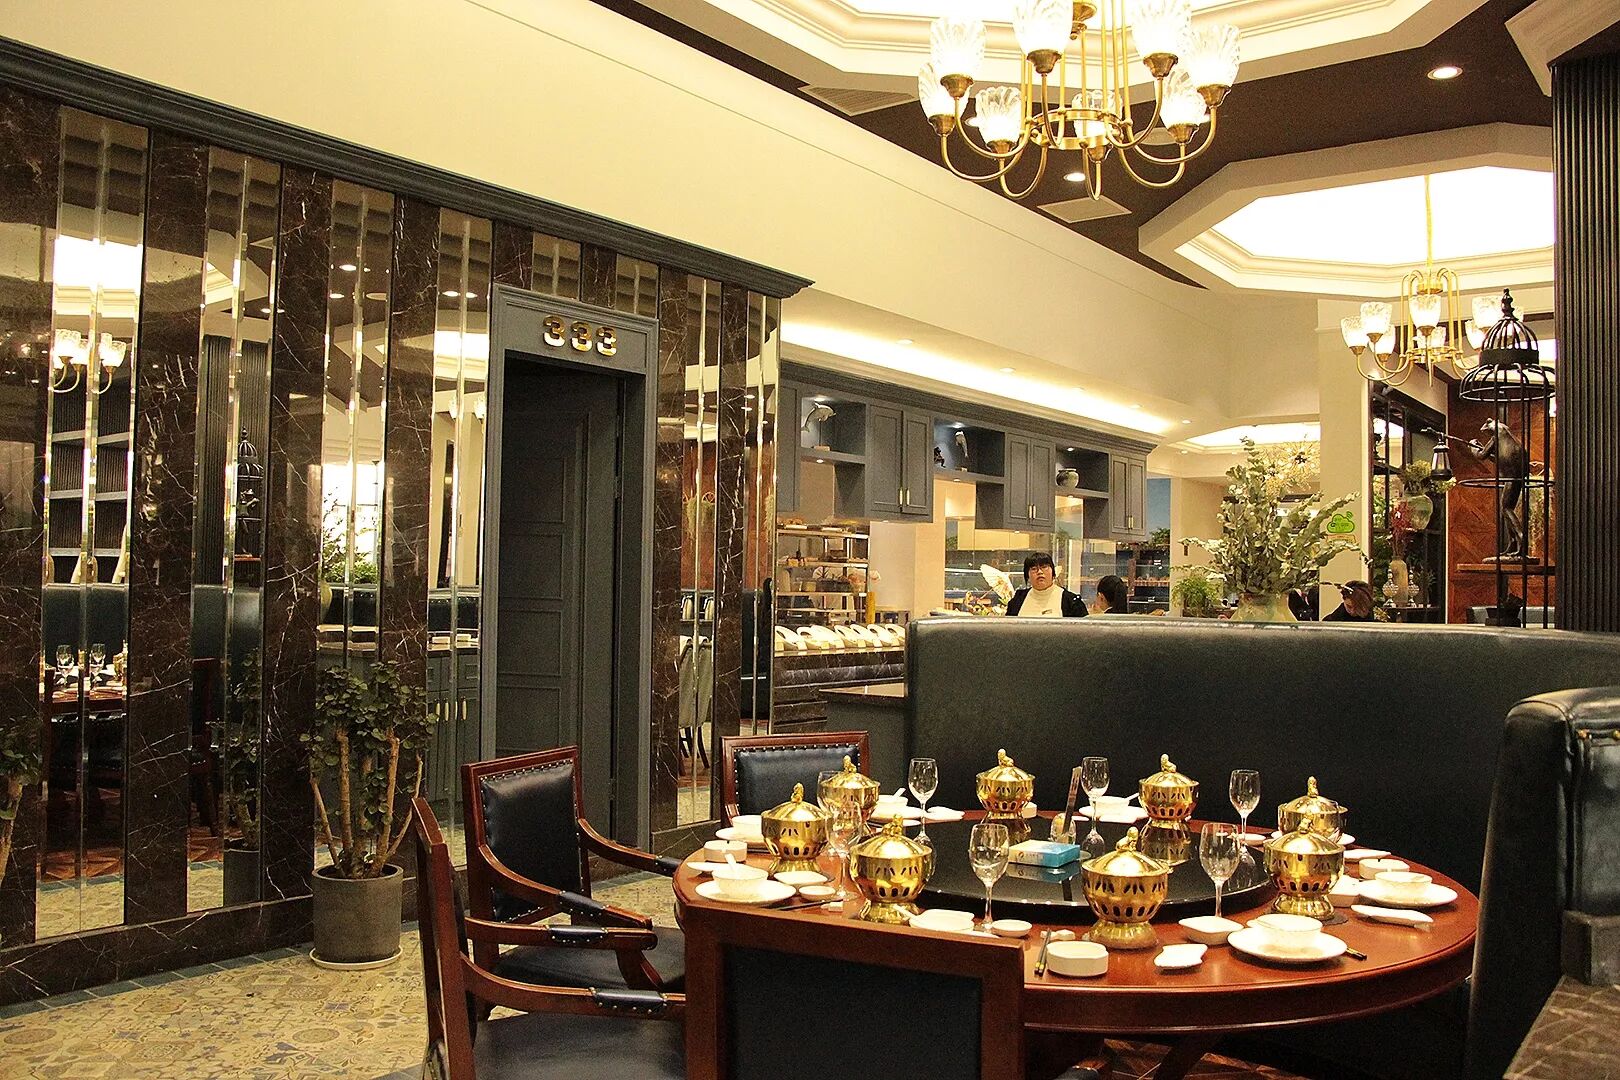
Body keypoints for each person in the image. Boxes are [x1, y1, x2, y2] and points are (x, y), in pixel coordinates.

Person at [1004, 552, 1087, 618]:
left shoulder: (1071, 601)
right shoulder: (1017, 600)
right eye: (1034, 569)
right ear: (1027, 575)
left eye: (1044, 567)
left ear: (1053, 572)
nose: (1039, 572)